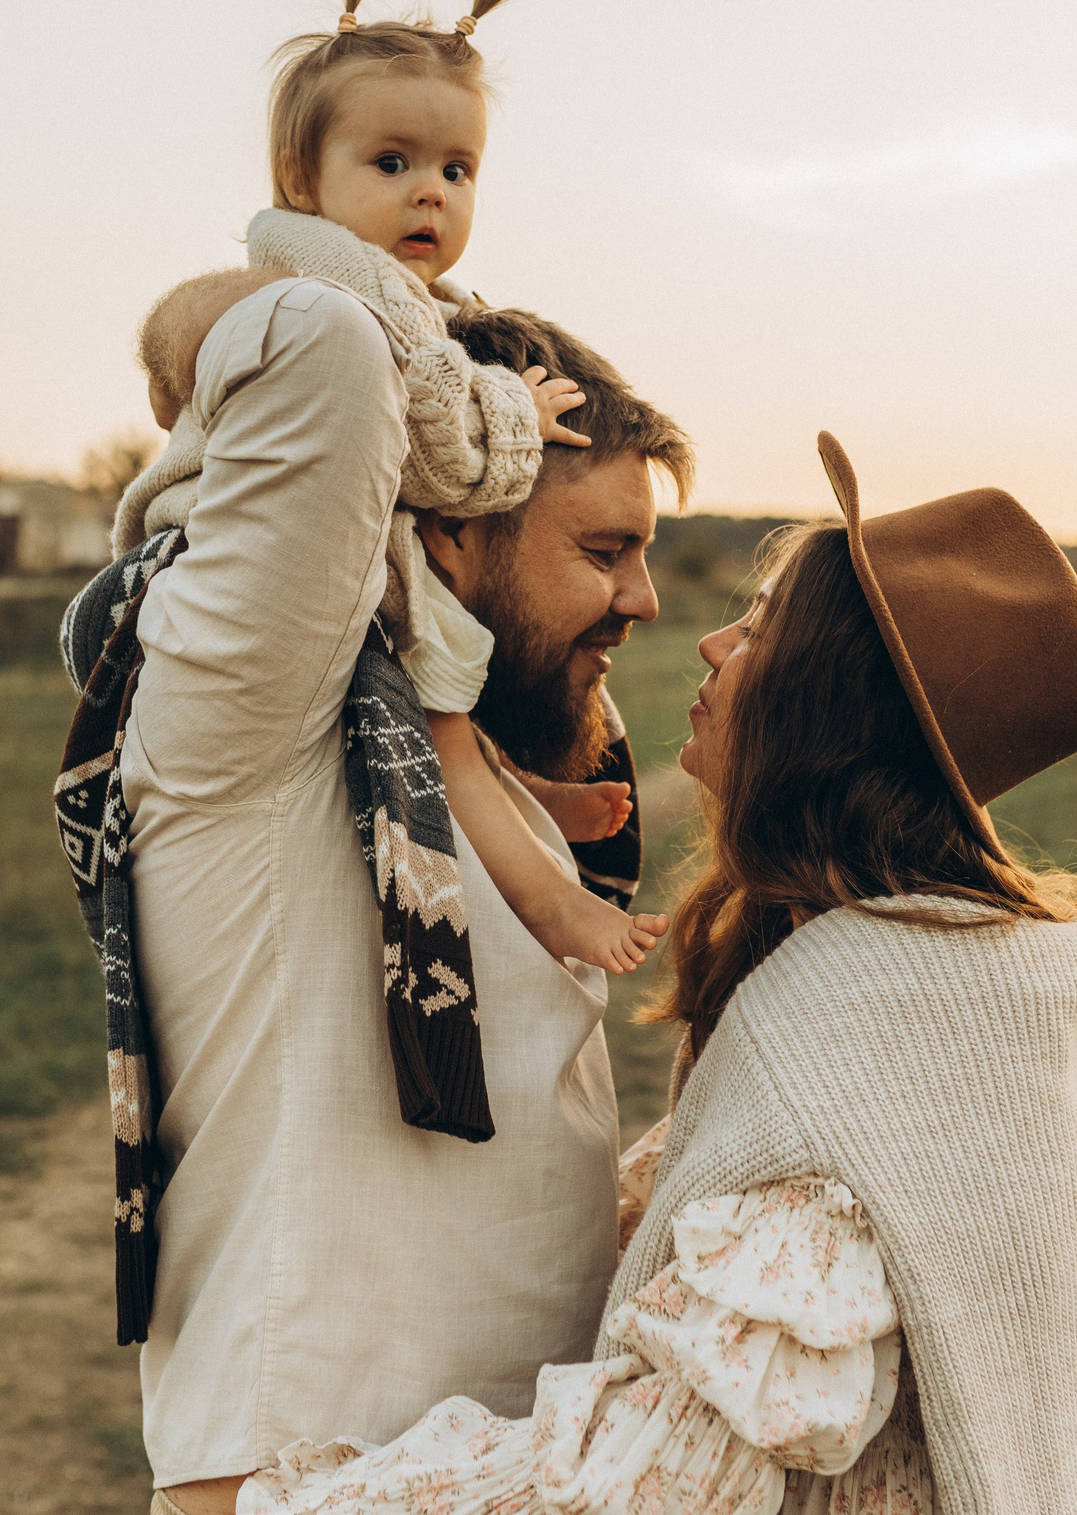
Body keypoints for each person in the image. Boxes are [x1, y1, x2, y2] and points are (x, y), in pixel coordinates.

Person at [240, 432, 1077, 1515]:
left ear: (825, 701)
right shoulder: (940, 987)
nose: (709, 640)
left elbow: (638, 1488)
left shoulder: (865, 1050)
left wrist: (271, 1504)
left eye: (757, 625)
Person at [65, 260, 695, 1514]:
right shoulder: (253, 714)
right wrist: (381, 283)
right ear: (449, 527)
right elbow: (314, 343)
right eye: (604, 550)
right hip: (313, 1475)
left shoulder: (457, 765)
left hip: (498, 1475)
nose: (643, 598)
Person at [118, 0, 666, 978]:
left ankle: (514, 798)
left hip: (329, 546)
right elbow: (441, 456)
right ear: (301, 176)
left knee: (445, 694)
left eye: (457, 170)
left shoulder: (406, 301)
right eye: (392, 163)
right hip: (249, 552)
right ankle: (549, 895)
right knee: (440, 709)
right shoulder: (339, 295)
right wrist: (510, 412)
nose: (431, 196)